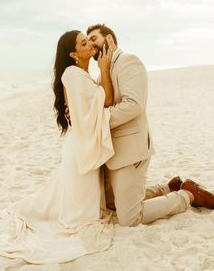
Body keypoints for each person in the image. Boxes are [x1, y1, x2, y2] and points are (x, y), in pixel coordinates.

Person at [0, 30, 115, 266]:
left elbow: (88, 104)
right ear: (74, 54)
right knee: (81, 213)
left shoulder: (78, 74)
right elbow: (106, 101)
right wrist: (104, 67)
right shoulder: (73, 74)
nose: (89, 45)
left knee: (83, 200)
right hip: (79, 147)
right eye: (84, 43)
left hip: (79, 144)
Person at [85, 23, 214, 226]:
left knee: (130, 218)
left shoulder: (128, 61)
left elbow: (134, 105)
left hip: (130, 150)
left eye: (94, 38)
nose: (91, 44)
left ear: (109, 39)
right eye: (88, 40)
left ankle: (187, 195)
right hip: (110, 152)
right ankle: (167, 188)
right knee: (110, 203)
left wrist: (97, 120)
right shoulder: (102, 72)